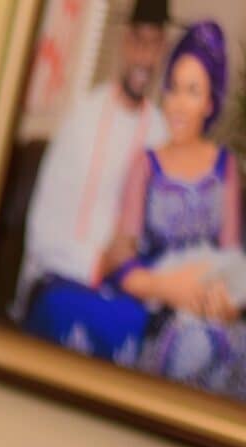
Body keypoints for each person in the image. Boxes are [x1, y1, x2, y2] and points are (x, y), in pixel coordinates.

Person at [18, 0, 169, 357]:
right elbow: (42, 230)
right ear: (122, 43)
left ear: (162, 51)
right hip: (65, 274)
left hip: (127, 291)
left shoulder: (162, 135)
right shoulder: (82, 118)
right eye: (137, 41)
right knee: (63, 313)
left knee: (142, 328)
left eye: (154, 45)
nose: (144, 58)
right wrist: (98, 263)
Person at [106, 20, 246, 397]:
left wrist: (226, 304)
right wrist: (169, 288)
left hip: (215, 309)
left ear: (210, 103)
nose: (180, 104)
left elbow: (233, 263)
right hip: (161, 309)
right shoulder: (145, 164)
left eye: (193, 91)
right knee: (195, 346)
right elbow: (121, 261)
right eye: (173, 89)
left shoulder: (226, 167)